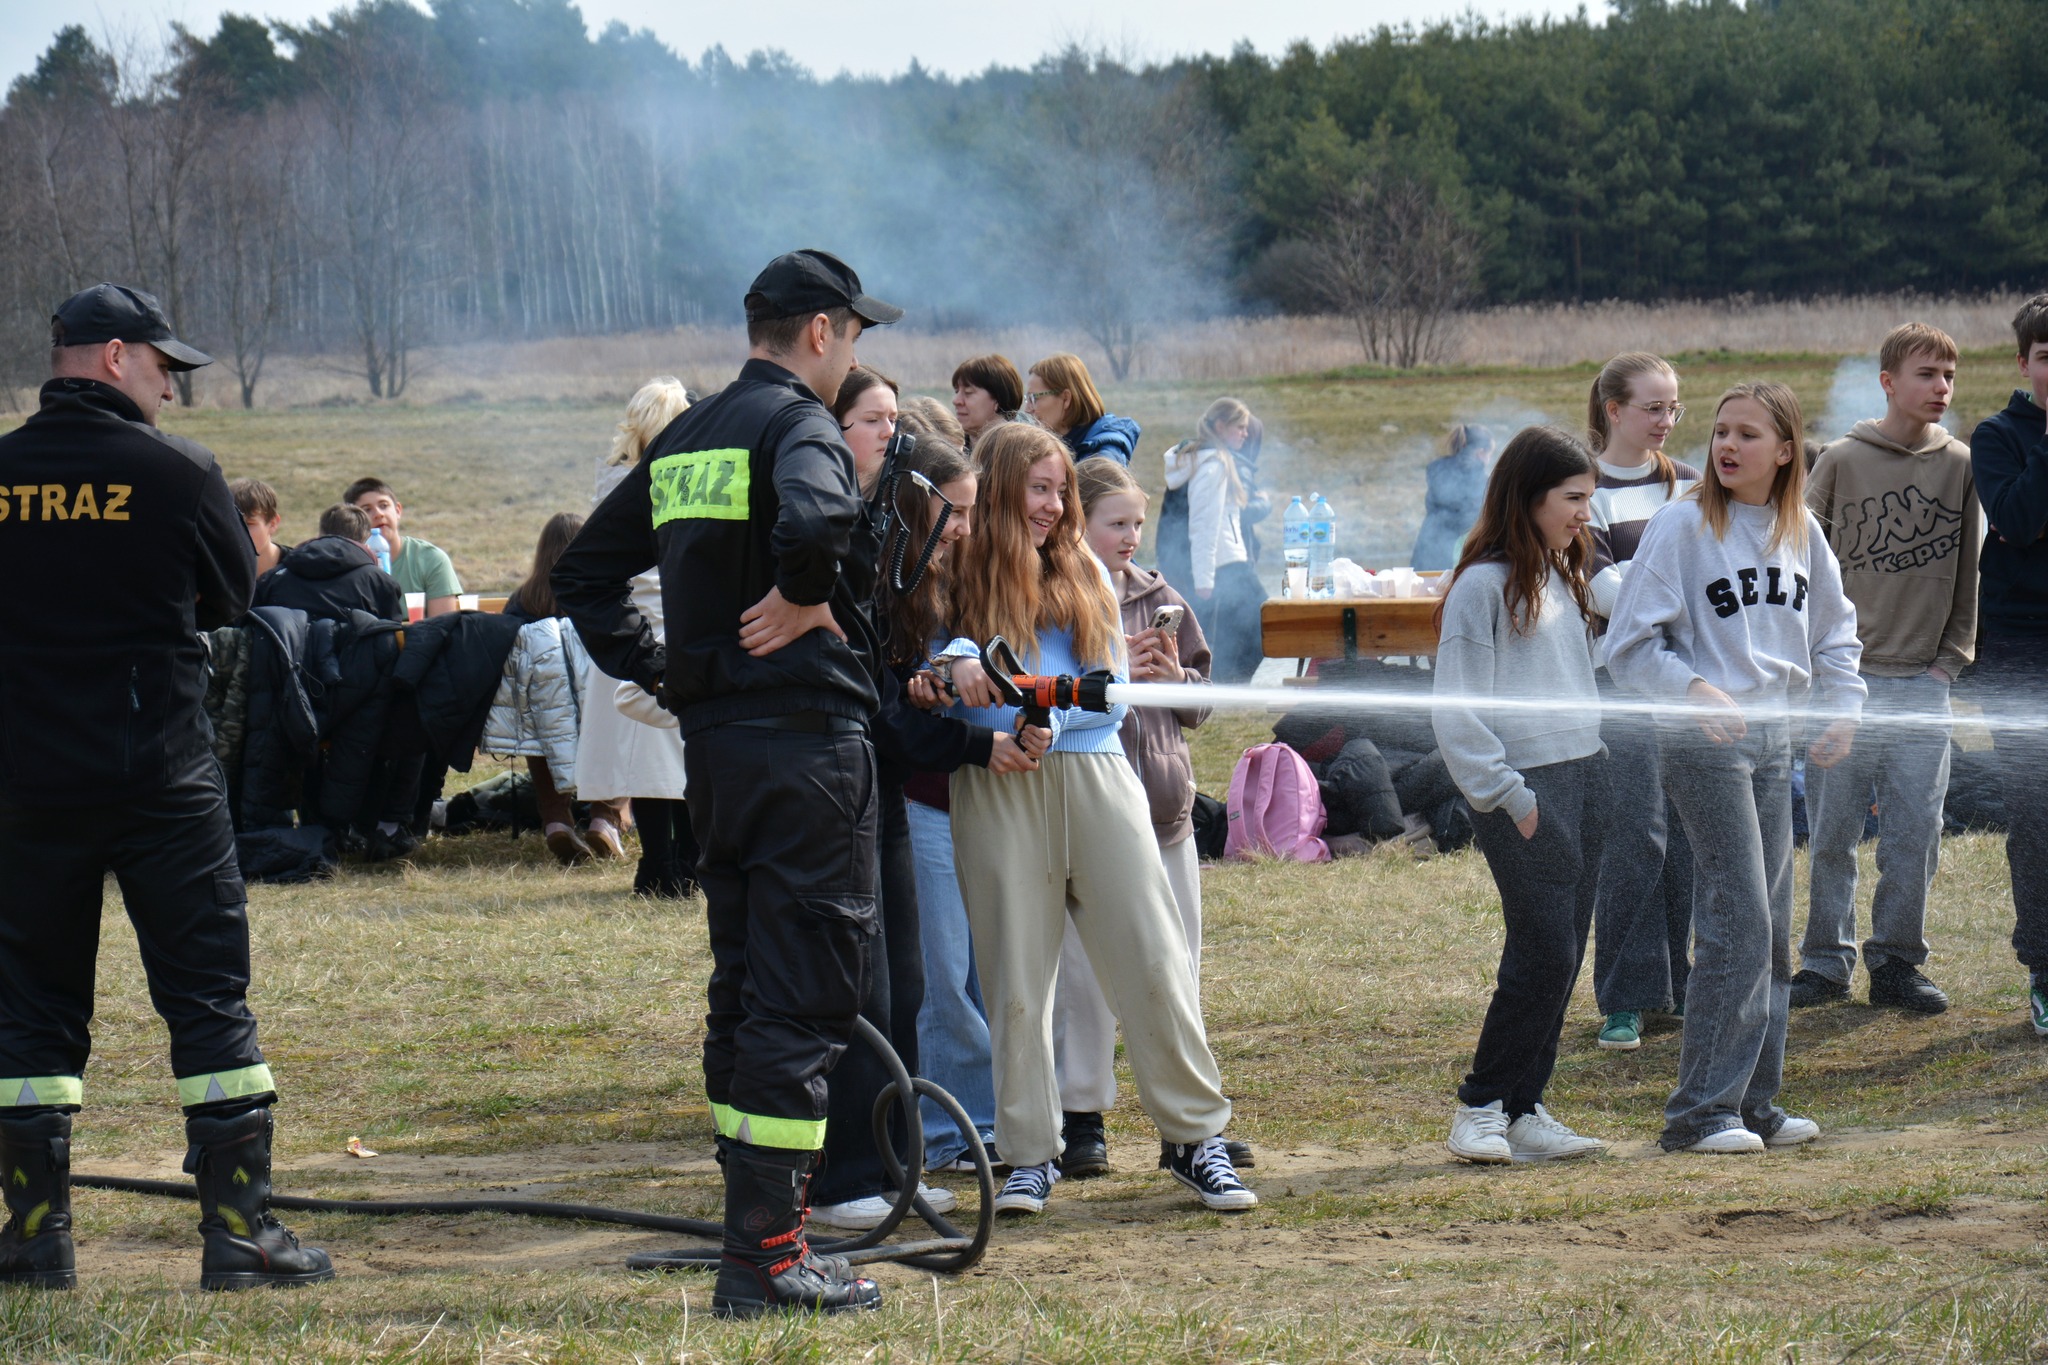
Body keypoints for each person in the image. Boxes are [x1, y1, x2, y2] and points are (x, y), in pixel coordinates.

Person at [554, 249, 900, 1318]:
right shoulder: (798, 425)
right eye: (852, 337)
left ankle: (756, 1232)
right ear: (818, 332)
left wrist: (664, 666)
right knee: (801, 1000)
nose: (851, 360)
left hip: (717, 756)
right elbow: (813, 524)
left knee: (745, 988)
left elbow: (580, 574)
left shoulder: (686, 437)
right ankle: (770, 1255)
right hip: (804, 748)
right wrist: (803, 596)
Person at [0, 283, 331, 1290]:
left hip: (23, 785)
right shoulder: (178, 472)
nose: (172, 392)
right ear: (111, 356)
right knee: (208, 1004)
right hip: (160, 781)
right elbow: (235, 595)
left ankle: (32, 1243)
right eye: (163, 368)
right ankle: (240, 1236)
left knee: (27, 1018)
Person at [936, 423, 1256, 1217]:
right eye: (1037, 489)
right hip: (1002, 786)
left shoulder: (1086, 568)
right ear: (1003, 487)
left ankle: (1194, 1137)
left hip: (1097, 774)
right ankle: (1028, 1154)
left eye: (1059, 491)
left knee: (1153, 955)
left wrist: (1042, 710)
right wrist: (959, 671)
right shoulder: (959, 567)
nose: (1050, 506)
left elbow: (1104, 688)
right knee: (1016, 976)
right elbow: (932, 657)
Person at [1606, 382, 1865, 1154]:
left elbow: (1835, 640)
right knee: (1738, 917)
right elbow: (1628, 645)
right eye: (1721, 431)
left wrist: (1843, 705)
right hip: (1703, 742)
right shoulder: (1680, 525)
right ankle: (1698, 1114)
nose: (1727, 446)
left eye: (1748, 434)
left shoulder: (1802, 532)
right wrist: (1690, 687)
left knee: (1772, 925)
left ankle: (1755, 1101)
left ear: (1785, 451)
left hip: (1775, 740)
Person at [1053, 457, 1251, 1177]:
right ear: (1079, 523)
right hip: (1089, 810)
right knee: (1083, 974)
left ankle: (1188, 1124)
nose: (1131, 536)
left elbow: (1202, 705)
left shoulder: (1160, 594)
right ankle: (1082, 1115)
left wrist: (1176, 680)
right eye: (1117, 523)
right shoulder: (1058, 595)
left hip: (1164, 811)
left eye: (1138, 522)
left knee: (1178, 965)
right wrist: (1116, 677)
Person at [1431, 426, 1610, 1165]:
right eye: (1573, 499)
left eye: (1589, 500)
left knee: (1564, 952)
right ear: (1529, 497)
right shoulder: (1481, 587)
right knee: (1540, 949)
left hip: (1585, 774)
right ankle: (1479, 1105)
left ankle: (1526, 1104)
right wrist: (1511, 795)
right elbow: (1455, 710)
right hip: (1524, 789)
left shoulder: (1563, 575)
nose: (1584, 516)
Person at [1794, 323, 1979, 1015]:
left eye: (1949, 376)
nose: (1941, 388)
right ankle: (1824, 962)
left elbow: (1969, 578)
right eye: (1928, 374)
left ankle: (1898, 961)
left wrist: (1947, 665)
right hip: (1843, 684)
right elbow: (1803, 564)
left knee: (1914, 833)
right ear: (1888, 381)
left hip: (1922, 686)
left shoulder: (1960, 465)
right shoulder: (1841, 460)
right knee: (1833, 831)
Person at [1581, 354, 1701, 1052]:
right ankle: (1626, 997)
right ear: (1614, 410)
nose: (1665, 421)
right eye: (1653, 407)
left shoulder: (1690, 486)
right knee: (1635, 835)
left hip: (1691, 691)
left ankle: (1681, 989)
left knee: (1689, 836)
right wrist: (1669, 606)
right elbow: (1602, 592)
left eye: (1674, 408)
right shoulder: (1585, 491)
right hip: (1620, 689)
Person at [575, 379, 695, 893]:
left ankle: (656, 866)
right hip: (670, 631)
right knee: (680, 760)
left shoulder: (611, 479)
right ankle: (684, 866)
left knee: (641, 761)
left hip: (623, 637)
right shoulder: (680, 477)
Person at [1968, 293, 2048, 1037]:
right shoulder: (1999, 437)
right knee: (2036, 813)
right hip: (2022, 651)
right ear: (2025, 363)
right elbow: (2018, 520)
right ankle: (2043, 969)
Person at [500, 511, 629, 866]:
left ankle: (556, 820)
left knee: (542, 740)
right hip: (596, 695)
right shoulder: (600, 588)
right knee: (615, 738)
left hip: (544, 704)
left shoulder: (523, 598)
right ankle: (606, 817)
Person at [1161, 398, 1268, 683]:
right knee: (1263, 623)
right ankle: (1225, 683)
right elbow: (1204, 525)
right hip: (1224, 563)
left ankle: (1223, 681)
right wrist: (1205, 580)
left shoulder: (1213, 460)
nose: (1245, 434)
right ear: (1221, 426)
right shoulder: (1214, 464)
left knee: (1236, 629)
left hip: (1228, 561)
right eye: (1240, 427)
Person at [253, 503, 404, 623]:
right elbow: (393, 639)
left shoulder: (273, 578)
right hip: (358, 661)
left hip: (289, 660)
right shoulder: (379, 583)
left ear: (320, 534)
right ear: (366, 542)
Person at [344, 477, 462, 617]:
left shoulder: (431, 559)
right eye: (367, 510)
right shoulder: (347, 566)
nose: (379, 514)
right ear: (355, 520)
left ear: (398, 510)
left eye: (384, 506)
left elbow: (444, 627)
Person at [1024, 353, 1141, 465]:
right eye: (1027, 399)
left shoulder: (1102, 457)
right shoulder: (1055, 445)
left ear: (1066, 399)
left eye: (1034, 398)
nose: (1027, 409)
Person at [1410, 424, 1495, 571]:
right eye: (1489, 455)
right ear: (1480, 453)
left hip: (1425, 553)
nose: (1489, 460)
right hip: (1457, 562)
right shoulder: (1480, 481)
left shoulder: (1438, 472)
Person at [950, 353, 1022, 451]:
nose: (956, 401)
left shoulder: (1022, 453)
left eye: (968, 393)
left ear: (998, 399)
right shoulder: (949, 450)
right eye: (957, 391)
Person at [230, 478, 285, 577]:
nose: (239, 532)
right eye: (233, 524)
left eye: (249, 524)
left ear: (273, 523)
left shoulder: (297, 570)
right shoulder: (215, 569)